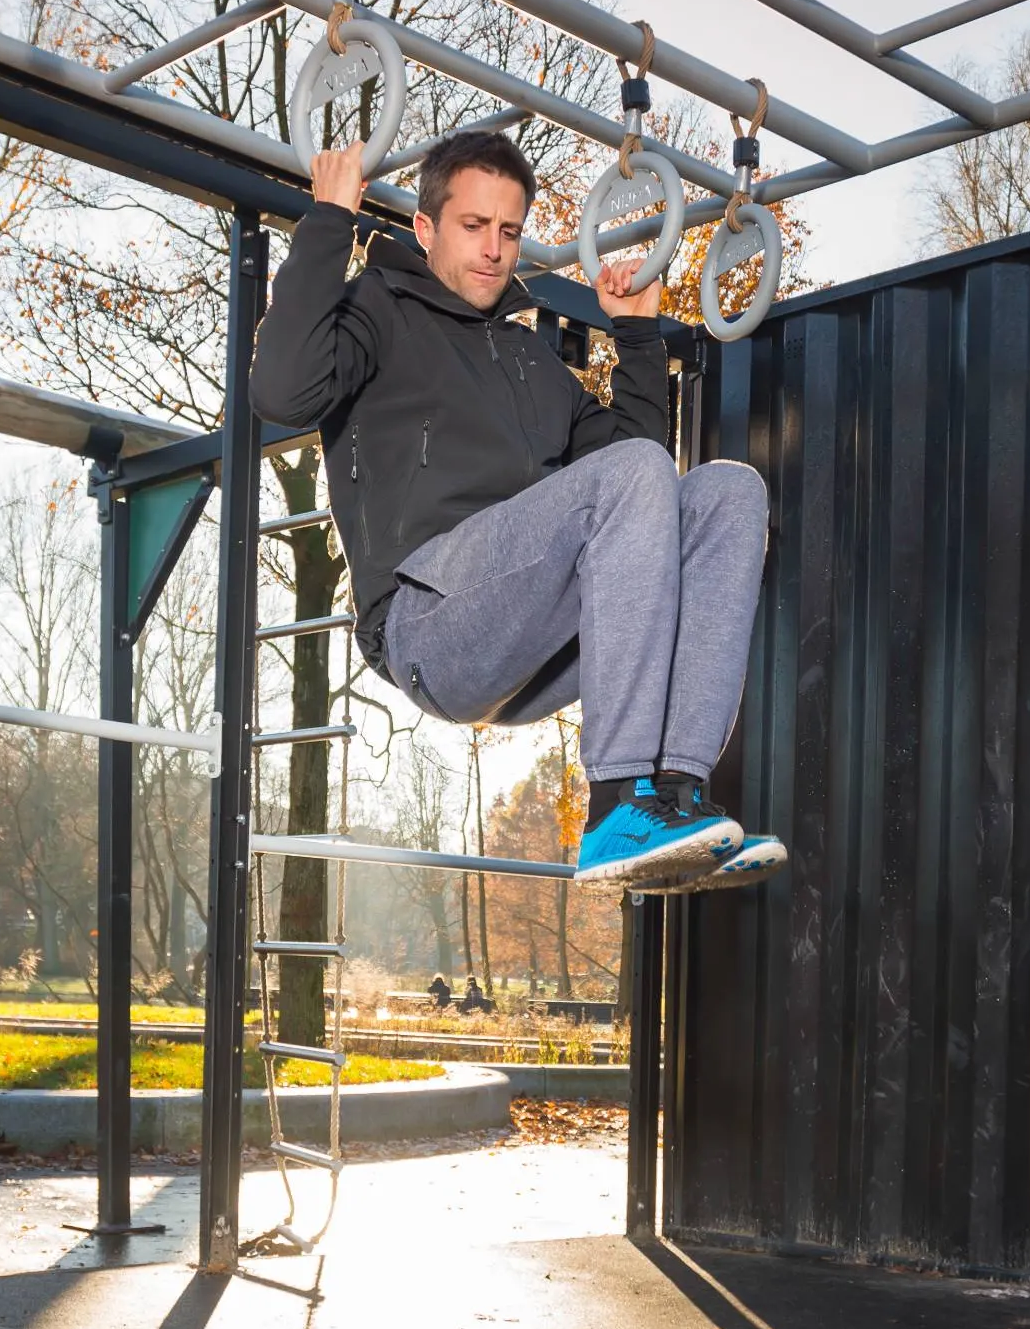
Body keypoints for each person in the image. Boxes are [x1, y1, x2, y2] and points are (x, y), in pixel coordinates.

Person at [252, 126, 783, 890]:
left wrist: (635, 335)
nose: (495, 249)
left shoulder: (529, 358)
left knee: (729, 493)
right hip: (429, 624)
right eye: (474, 227)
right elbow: (283, 391)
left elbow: (642, 489)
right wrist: (330, 220)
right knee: (633, 476)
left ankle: (675, 798)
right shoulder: (378, 311)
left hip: (530, 645)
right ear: (427, 228)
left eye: (509, 231)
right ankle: (616, 804)